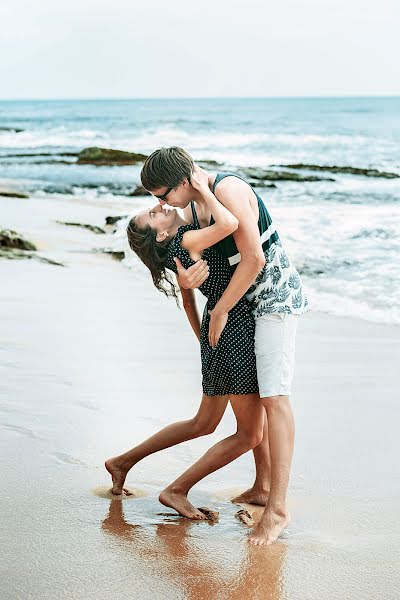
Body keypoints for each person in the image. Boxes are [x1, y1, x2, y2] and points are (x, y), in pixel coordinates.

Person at [140, 147, 309, 546]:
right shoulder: (196, 208)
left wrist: (217, 313)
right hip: (243, 308)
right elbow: (206, 262)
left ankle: (278, 511)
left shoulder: (228, 191)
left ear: (184, 181)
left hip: (273, 303)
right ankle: (263, 490)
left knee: (274, 400)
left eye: (163, 195)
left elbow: (253, 258)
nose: (161, 203)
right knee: (254, 408)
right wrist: (191, 287)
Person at [106, 165, 266, 521]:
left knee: (204, 422)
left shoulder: (183, 240)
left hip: (218, 328)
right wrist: (205, 188)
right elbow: (229, 225)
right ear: (161, 237)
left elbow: (187, 296)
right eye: (153, 213)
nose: (159, 206)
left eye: (157, 203)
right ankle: (176, 490)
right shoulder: (186, 240)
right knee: (250, 433)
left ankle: (122, 461)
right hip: (233, 326)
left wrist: (202, 337)